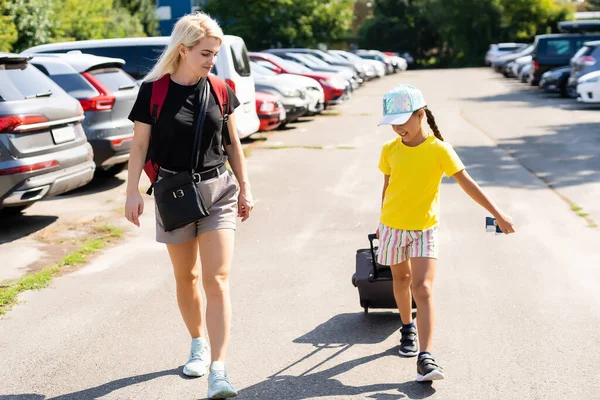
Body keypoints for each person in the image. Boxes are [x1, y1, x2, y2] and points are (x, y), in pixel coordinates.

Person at [124, 12, 253, 399]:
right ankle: (198, 342)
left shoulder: (220, 88)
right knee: (188, 278)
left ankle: (219, 369)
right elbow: (140, 146)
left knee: (217, 278)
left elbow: (233, 144)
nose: (212, 60)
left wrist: (245, 187)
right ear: (183, 50)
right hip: (174, 192)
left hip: (218, 190)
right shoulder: (154, 92)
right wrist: (132, 192)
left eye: (214, 53)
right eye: (205, 53)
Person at [376, 84, 515, 382]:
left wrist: (497, 213)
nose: (398, 128)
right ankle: (407, 327)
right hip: (392, 226)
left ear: (421, 114)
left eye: (403, 121)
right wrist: (381, 220)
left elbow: (467, 184)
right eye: (393, 123)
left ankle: (425, 358)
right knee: (401, 280)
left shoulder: (440, 150)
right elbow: (387, 188)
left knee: (422, 288)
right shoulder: (389, 150)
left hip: (425, 229)